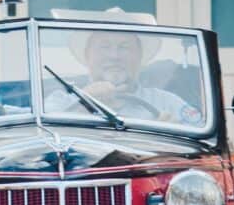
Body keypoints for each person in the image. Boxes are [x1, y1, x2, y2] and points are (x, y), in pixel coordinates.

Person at [48, 12, 199, 124]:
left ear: (139, 57)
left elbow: (205, 148)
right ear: (88, 57)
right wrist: (82, 104)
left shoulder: (168, 103)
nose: (114, 56)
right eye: (104, 47)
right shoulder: (60, 102)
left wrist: (174, 133)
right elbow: (42, 140)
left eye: (124, 47)